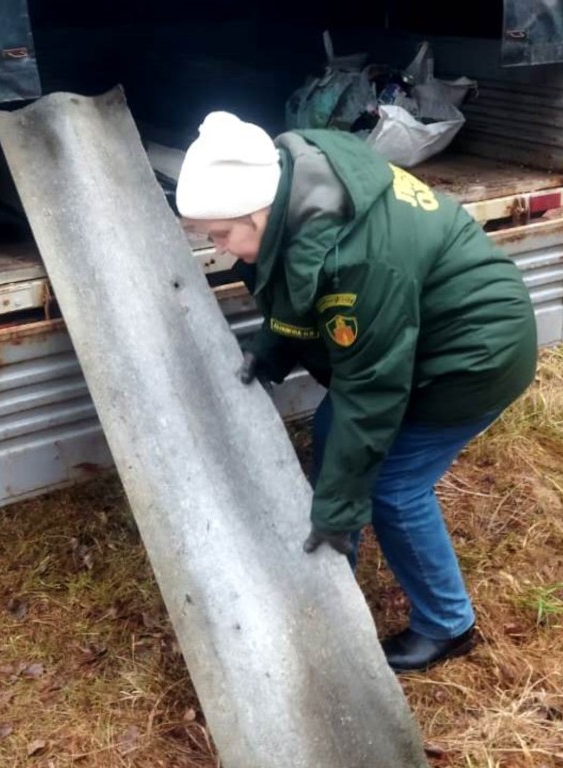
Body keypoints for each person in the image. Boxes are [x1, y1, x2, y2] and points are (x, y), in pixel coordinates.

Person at [176, 111, 537, 672]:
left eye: (222, 235)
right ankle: (333, 567)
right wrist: (269, 351)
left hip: (475, 356)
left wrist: (340, 510)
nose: (220, 249)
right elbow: (302, 287)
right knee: (332, 432)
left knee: (393, 487)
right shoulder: (301, 184)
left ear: (258, 214)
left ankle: (447, 625)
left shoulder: (359, 261)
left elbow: (371, 392)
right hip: (418, 334)